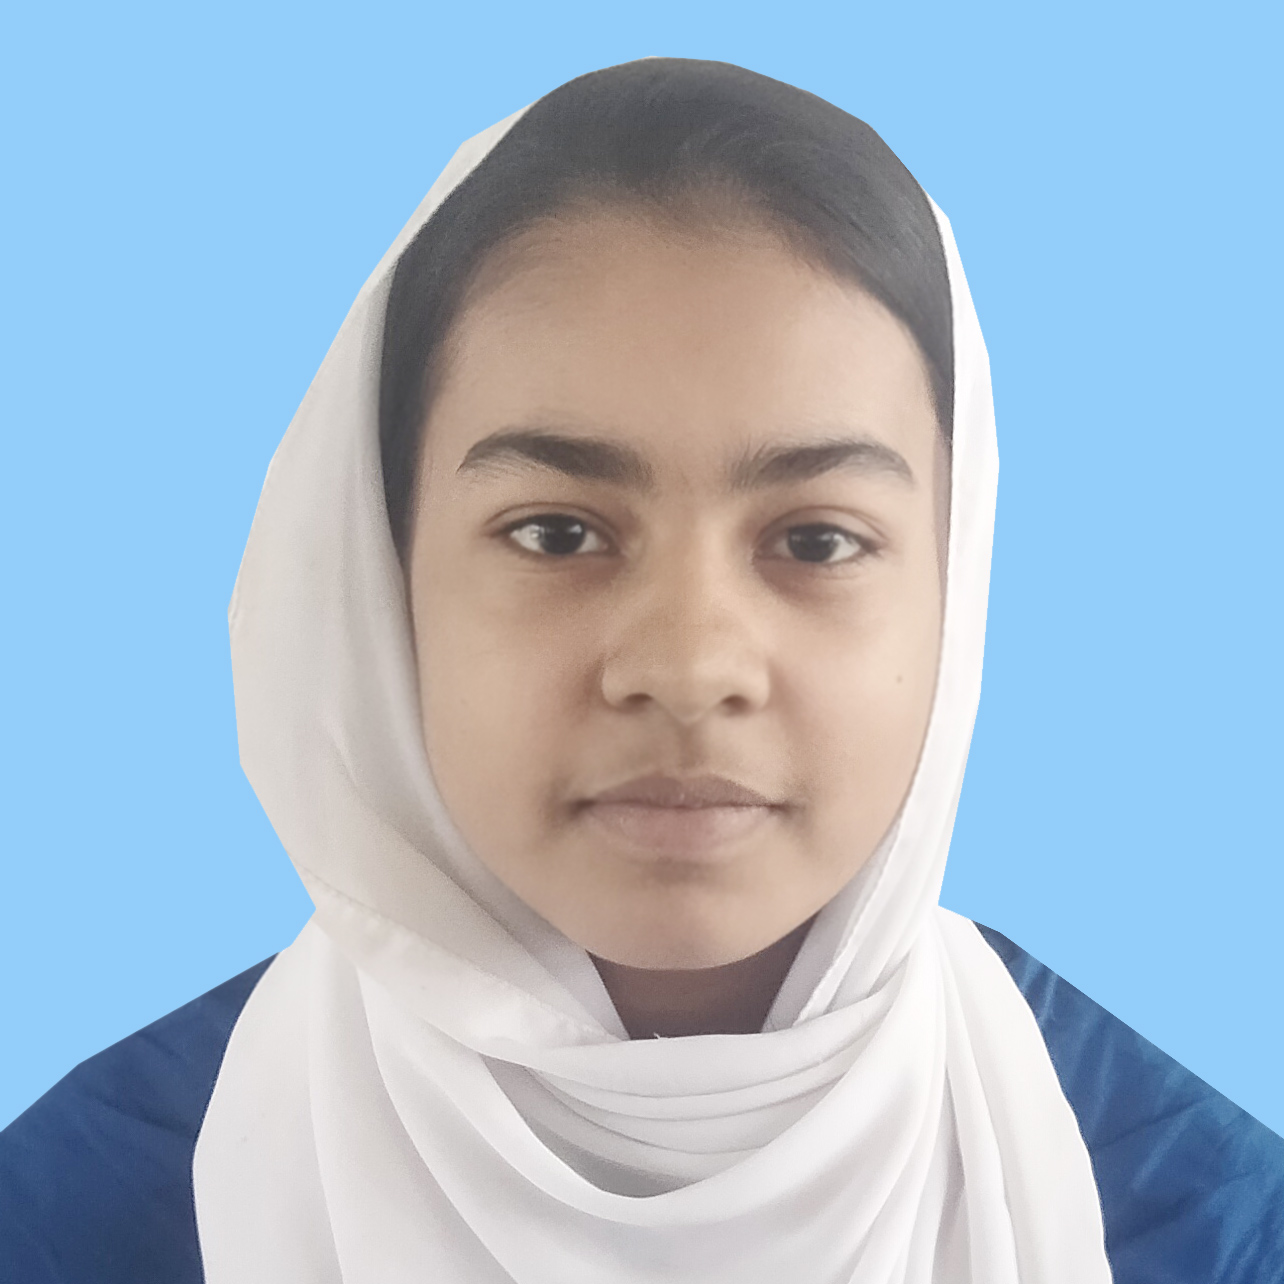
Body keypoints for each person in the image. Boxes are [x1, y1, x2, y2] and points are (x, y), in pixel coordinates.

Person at [1, 57, 1280, 1284]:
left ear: (955, 587)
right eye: (557, 533)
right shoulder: (74, 1220)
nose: (687, 667)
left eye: (817, 541)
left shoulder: (1205, 1224)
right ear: (379, 582)